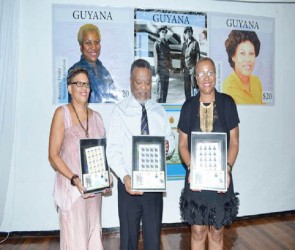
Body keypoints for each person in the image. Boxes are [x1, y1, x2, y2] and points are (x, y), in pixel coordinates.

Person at [106, 59, 175, 250]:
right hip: (129, 186)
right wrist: (125, 177)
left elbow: (170, 140)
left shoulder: (158, 110)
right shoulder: (120, 111)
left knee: (153, 239)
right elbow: (112, 151)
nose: (144, 88)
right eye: (139, 82)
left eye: (148, 82)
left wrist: (168, 145)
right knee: (128, 240)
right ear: (130, 81)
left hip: (154, 186)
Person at [178, 57, 239, 249]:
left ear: (215, 75)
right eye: (201, 73)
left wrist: (227, 169)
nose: (206, 77)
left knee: (217, 231)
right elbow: (182, 145)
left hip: (220, 178)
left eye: (210, 72)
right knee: (197, 230)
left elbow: (234, 143)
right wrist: (191, 168)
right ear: (195, 78)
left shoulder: (228, 103)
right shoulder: (188, 107)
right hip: (196, 178)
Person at [49, 67, 108, 250]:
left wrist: (106, 179)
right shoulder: (62, 114)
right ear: (69, 88)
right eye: (79, 83)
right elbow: (53, 156)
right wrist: (75, 179)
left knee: (92, 238)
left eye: (87, 84)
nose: (84, 88)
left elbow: (101, 155)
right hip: (72, 192)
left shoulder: (97, 118)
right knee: (76, 242)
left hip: (93, 193)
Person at [68, 23, 118, 103]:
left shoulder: (104, 71)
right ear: (81, 47)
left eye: (96, 42)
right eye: (88, 43)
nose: (94, 47)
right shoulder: (74, 72)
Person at [222, 30, 264, 104]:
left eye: (251, 53)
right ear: (233, 56)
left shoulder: (257, 82)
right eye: (242, 53)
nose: (248, 59)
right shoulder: (228, 88)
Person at [153, 25, 173, 103]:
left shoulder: (166, 43)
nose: (164, 33)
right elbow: (156, 59)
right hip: (160, 71)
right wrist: (157, 72)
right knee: (160, 92)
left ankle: (164, 107)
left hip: (166, 71)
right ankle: (158, 109)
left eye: (165, 32)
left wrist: (170, 68)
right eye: (162, 32)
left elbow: (169, 56)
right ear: (159, 33)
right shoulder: (157, 44)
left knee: (165, 91)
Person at [181, 26, 201, 100]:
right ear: (185, 34)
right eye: (186, 32)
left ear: (192, 33)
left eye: (190, 32)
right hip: (186, 68)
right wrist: (181, 68)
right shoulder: (184, 44)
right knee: (186, 86)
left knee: (194, 86)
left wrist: (197, 70)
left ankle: (196, 102)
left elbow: (198, 57)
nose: (188, 33)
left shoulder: (195, 43)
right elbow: (182, 57)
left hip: (193, 68)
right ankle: (188, 101)